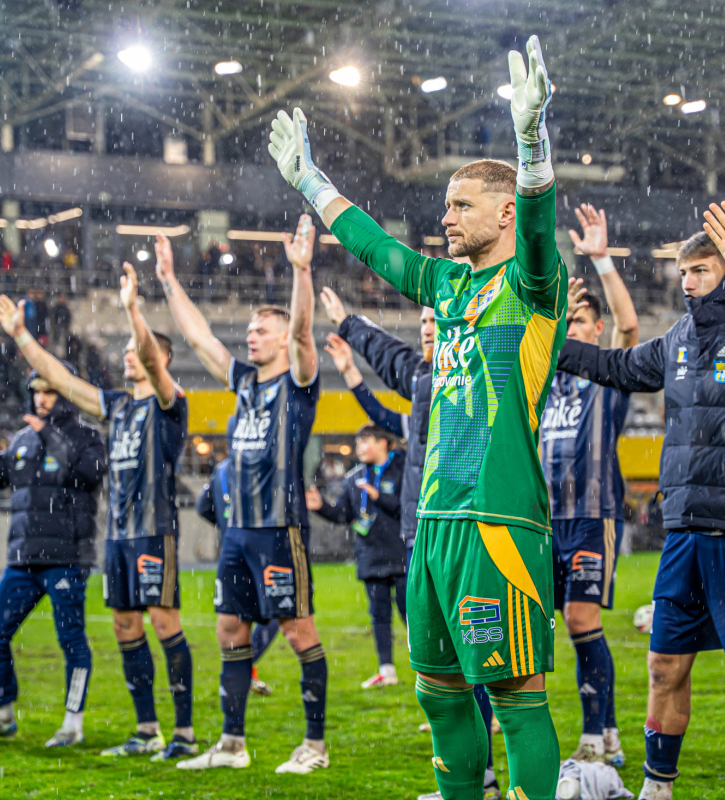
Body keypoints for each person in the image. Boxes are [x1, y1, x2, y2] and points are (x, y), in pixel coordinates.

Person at [269, 35, 566, 800]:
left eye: (462, 205)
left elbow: (537, 229)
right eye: (444, 207)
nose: (447, 218)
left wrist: (532, 144)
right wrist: (313, 182)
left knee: (516, 700)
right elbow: (376, 249)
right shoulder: (447, 286)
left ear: (503, 211)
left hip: (496, 522)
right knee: (436, 693)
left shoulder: (534, 288)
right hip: (430, 518)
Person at [0, 265, 195, 762]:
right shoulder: (117, 405)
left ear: (159, 358)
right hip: (118, 536)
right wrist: (20, 337)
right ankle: (147, 729)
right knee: (126, 627)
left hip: (153, 532)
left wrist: (132, 309)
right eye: (125, 348)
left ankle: (183, 732)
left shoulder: (170, 402)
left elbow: (146, 350)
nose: (127, 354)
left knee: (165, 624)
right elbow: (61, 378)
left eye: (135, 349)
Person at [557, 202, 725, 800]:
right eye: (683, 273)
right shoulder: (678, 339)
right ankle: (658, 785)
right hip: (682, 531)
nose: (688, 284)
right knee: (663, 666)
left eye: (701, 271)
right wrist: (550, 337)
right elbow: (614, 365)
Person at [153, 217, 327, 775]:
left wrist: (301, 272)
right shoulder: (245, 383)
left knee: (299, 631)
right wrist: (168, 282)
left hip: (280, 528)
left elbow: (304, 334)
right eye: (249, 330)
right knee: (231, 629)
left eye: (260, 330)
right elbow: (201, 338)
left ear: (279, 338)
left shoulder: (297, 382)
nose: (250, 336)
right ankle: (232, 743)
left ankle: (315, 746)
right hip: (237, 532)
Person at [321, 309, 501, 800]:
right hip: (419, 534)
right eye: (422, 320)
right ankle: (467, 781)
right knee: (440, 664)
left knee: (474, 659)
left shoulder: (470, 381)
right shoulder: (424, 388)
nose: (427, 327)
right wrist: (353, 373)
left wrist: (352, 329)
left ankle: (487, 776)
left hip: (460, 530)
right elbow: (382, 416)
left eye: (436, 320)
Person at [0, 367, 105, 746]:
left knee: (71, 640)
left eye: (50, 391)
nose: (41, 398)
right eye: (36, 391)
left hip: (67, 557)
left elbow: (88, 476)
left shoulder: (87, 436)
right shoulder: (23, 437)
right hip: (23, 558)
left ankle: (73, 723)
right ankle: (2, 714)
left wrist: (50, 435)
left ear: (65, 394)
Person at [542, 204, 639, 766]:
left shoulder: (607, 376)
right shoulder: (544, 384)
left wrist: (601, 261)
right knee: (555, 628)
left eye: (578, 323)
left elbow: (631, 329)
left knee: (582, 621)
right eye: (565, 324)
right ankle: (606, 730)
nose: (570, 332)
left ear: (595, 331)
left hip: (593, 513)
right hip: (543, 519)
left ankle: (597, 732)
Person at [306, 424, 407, 688]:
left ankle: (426, 668)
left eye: (366, 442)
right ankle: (387, 671)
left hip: (402, 554)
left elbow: (408, 508)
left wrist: (379, 497)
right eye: (358, 443)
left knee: (412, 614)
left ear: (384, 442)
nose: (360, 448)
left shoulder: (405, 468)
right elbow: (343, 514)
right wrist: (321, 508)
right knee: (379, 615)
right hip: (371, 556)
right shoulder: (354, 477)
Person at [195, 455, 280, 697]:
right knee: (276, 613)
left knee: (234, 617)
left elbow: (203, 506)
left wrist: (227, 527)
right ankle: (246, 665)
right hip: (262, 553)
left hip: (231, 553)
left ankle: (237, 675)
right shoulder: (261, 464)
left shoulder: (220, 469)